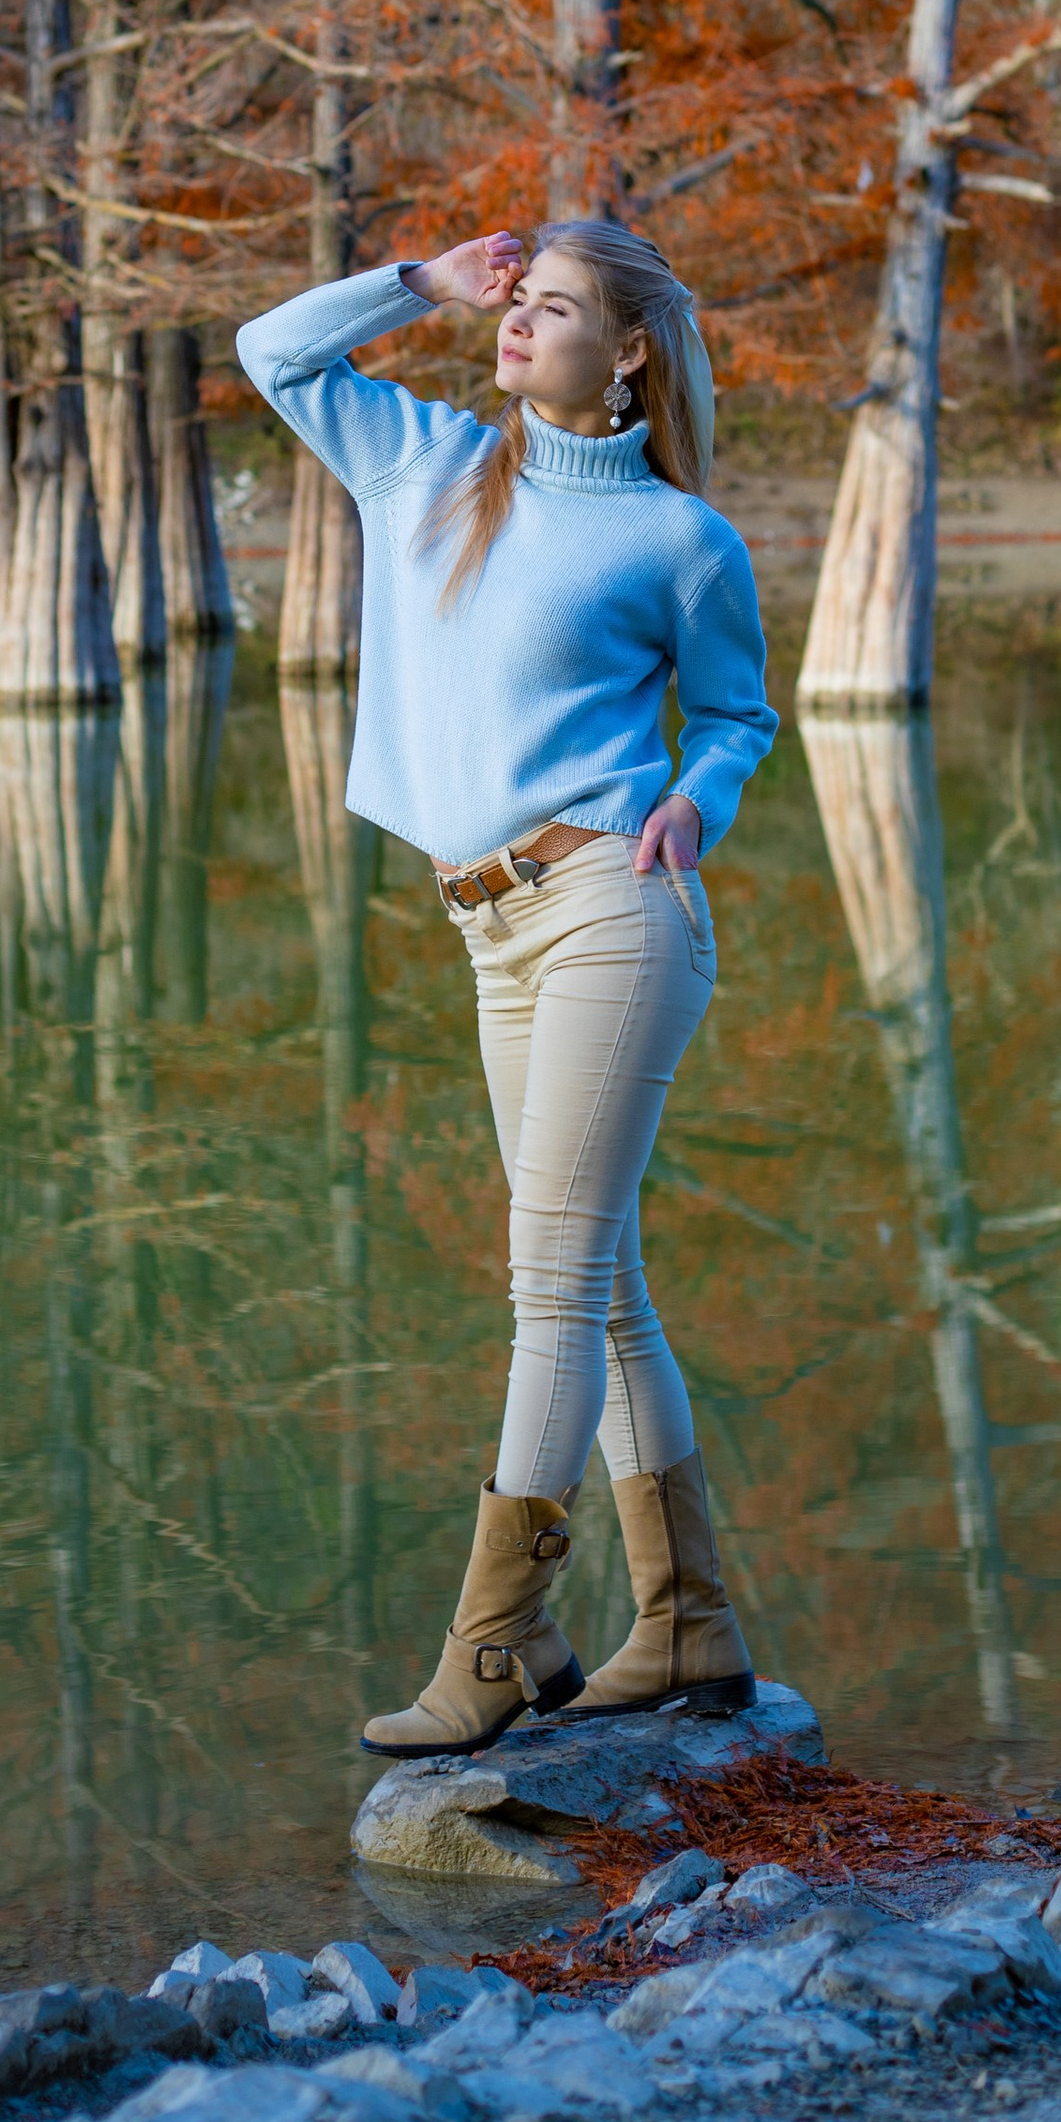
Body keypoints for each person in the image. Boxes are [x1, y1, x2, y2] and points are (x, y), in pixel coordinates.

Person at [236, 219, 778, 1756]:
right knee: (594, 1284)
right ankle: (685, 1625)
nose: (516, 326)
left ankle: (503, 1637)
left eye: (552, 309)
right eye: (514, 301)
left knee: (550, 1284)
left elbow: (737, 716)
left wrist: (703, 797)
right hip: (491, 926)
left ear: (629, 354)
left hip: (616, 902)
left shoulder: (683, 541)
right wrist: (421, 283)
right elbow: (269, 353)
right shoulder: (424, 463)